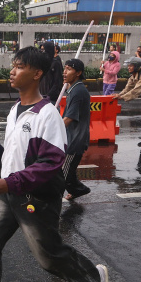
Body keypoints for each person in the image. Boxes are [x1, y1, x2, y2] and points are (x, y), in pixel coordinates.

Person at [0, 46, 109, 282]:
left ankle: (95, 278)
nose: (12, 71)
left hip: (35, 195)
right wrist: (3, 177)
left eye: (19, 67)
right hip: (8, 190)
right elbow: (14, 152)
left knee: (48, 256)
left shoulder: (48, 115)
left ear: (37, 73)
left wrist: (11, 182)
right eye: (13, 65)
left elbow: (50, 163)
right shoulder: (15, 109)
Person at [61, 59, 91, 201]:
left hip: (75, 139)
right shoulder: (73, 89)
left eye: (69, 69)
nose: (64, 72)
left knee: (63, 172)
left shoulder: (78, 91)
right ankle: (78, 190)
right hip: (71, 136)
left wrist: (54, 130)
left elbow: (69, 117)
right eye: (65, 69)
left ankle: (54, 200)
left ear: (78, 73)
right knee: (68, 169)